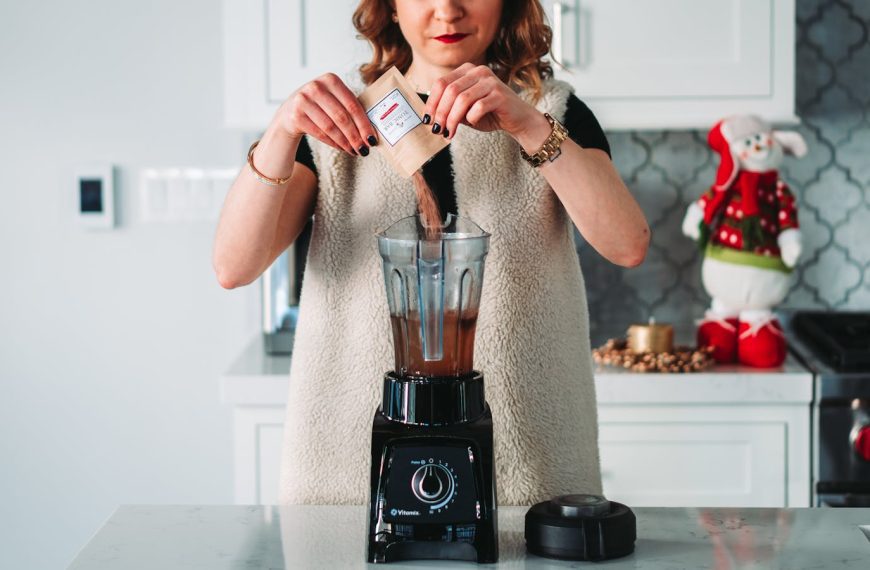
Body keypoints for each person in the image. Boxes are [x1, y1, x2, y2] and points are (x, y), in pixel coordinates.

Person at [213, 0, 650, 506]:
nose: (448, 10)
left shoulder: (551, 112)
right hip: (350, 465)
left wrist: (526, 123)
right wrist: (283, 129)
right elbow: (233, 266)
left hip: (528, 460)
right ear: (391, 8)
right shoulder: (339, 125)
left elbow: (627, 245)